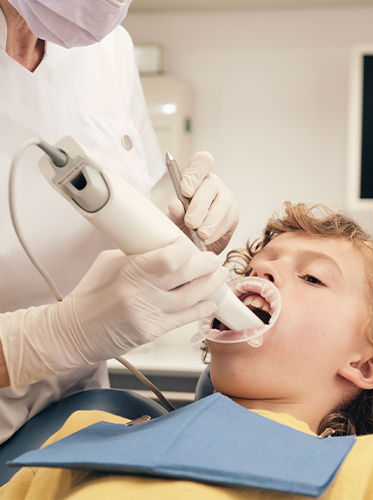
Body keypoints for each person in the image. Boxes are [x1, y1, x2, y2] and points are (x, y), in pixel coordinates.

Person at [0, 203, 373, 500]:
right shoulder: (89, 436)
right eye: (259, 267)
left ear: (367, 363)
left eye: (312, 278)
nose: (261, 274)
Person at [0, 0, 239, 445]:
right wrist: (46, 339)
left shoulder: (107, 51)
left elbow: (113, 208)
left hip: (76, 422)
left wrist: (180, 238)